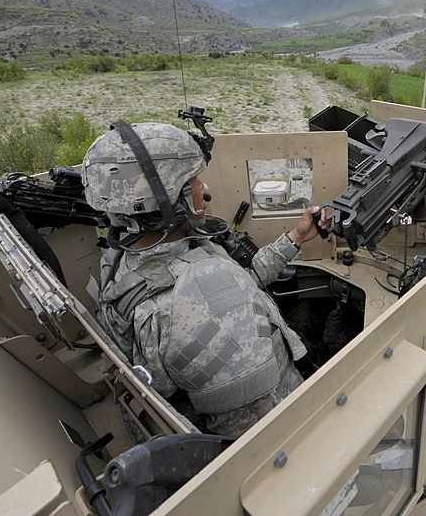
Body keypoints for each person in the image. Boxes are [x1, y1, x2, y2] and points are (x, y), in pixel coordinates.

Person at [81, 121, 322, 437]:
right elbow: (257, 434)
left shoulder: (132, 261)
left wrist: (295, 238)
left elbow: (242, 284)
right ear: (171, 200)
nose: (204, 189)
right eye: (193, 181)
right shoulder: (206, 304)